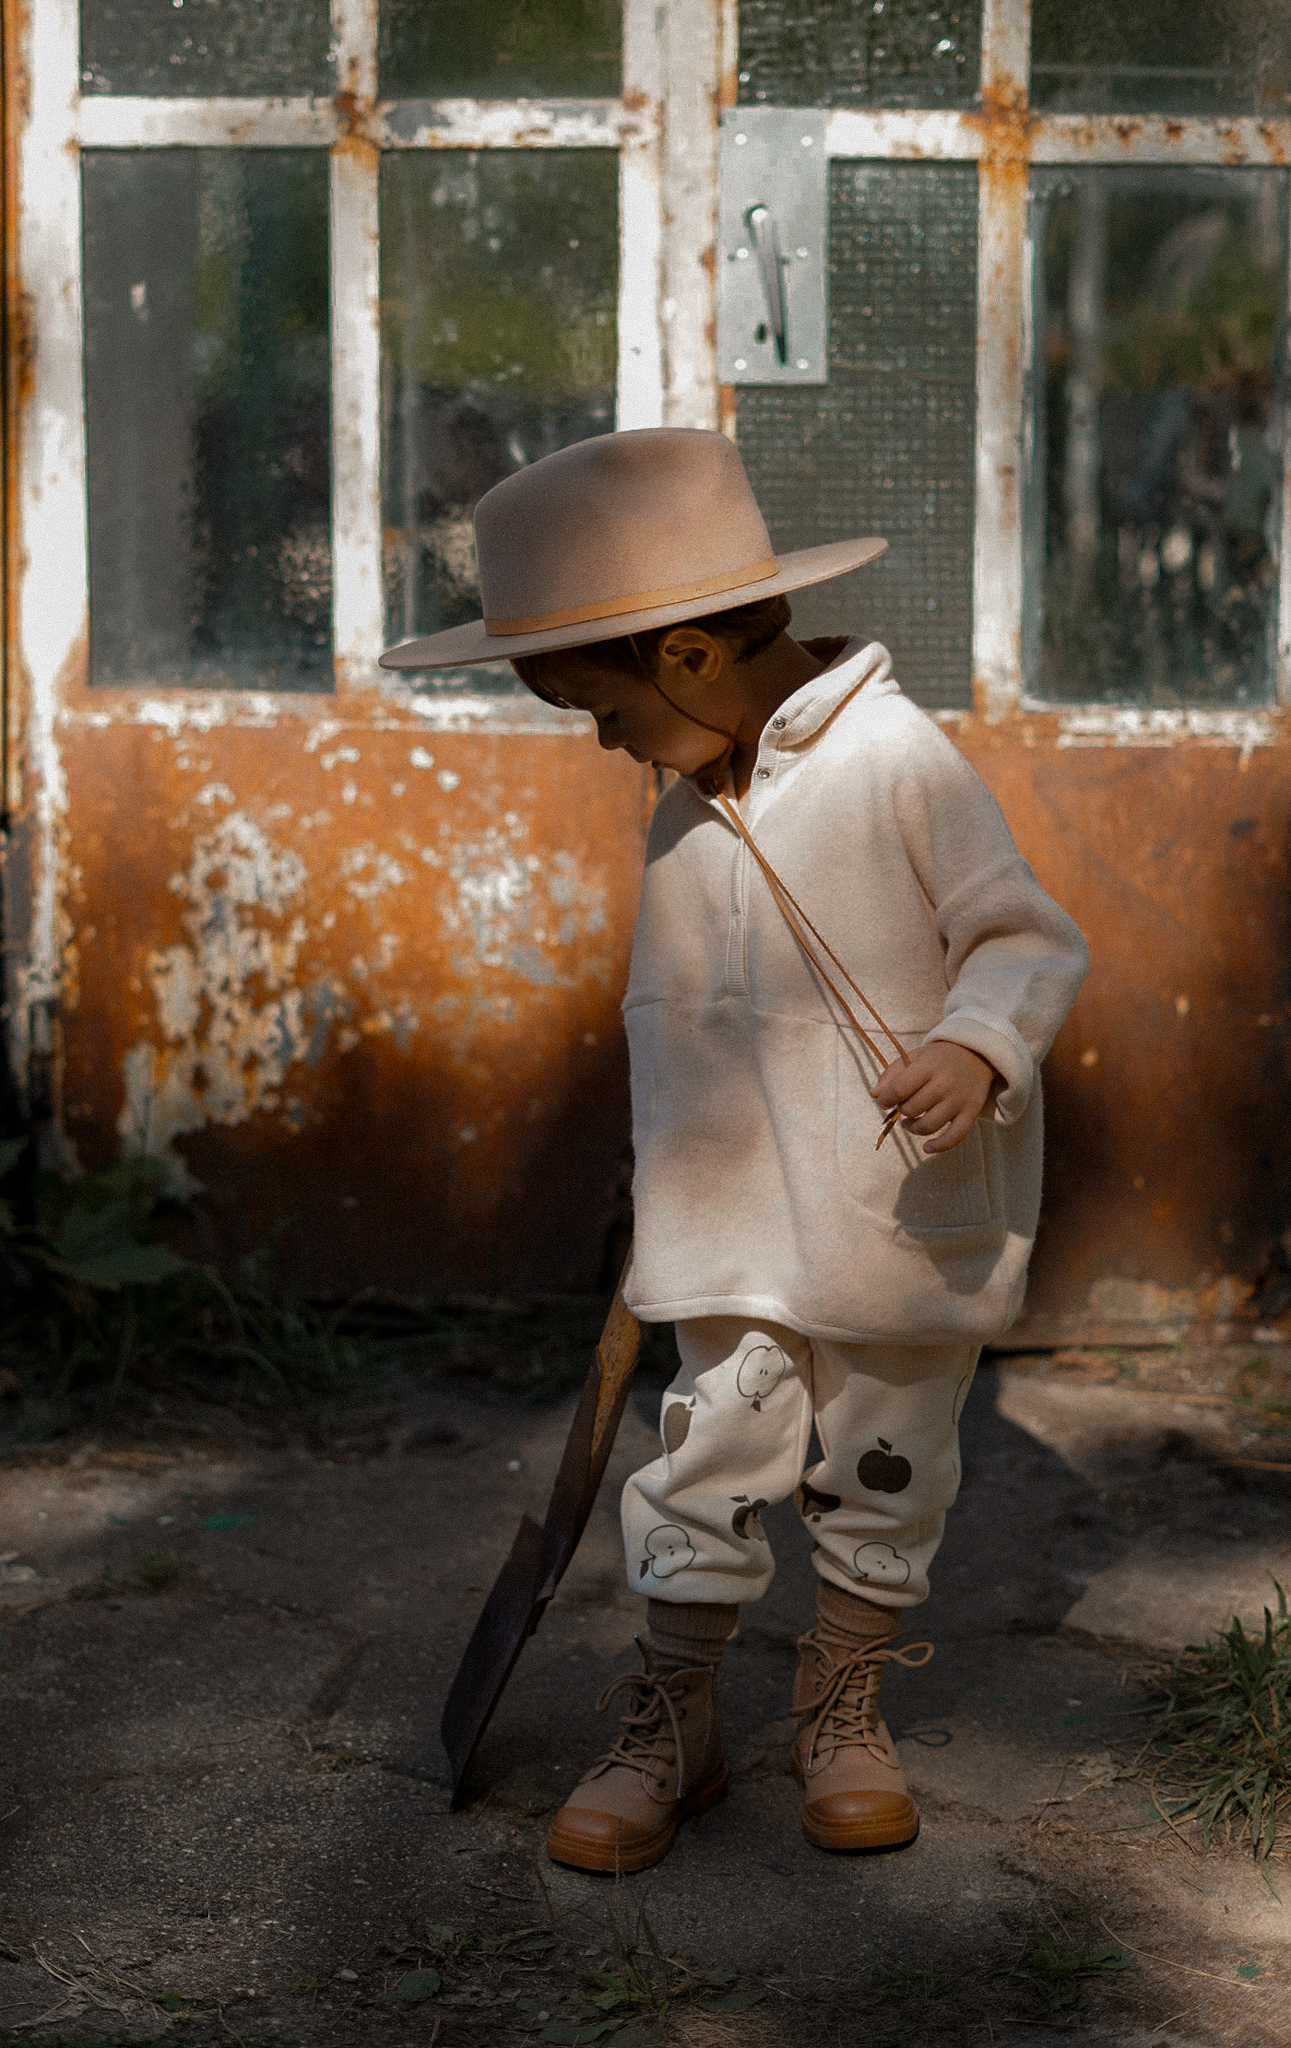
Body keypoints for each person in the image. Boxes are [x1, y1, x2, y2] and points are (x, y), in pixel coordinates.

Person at [380, 427, 1089, 1872]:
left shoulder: (898, 759)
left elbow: (1022, 937)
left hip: (897, 1213)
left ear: (689, 660)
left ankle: (840, 1703)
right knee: (709, 1457)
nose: (601, 738)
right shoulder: (687, 807)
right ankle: (678, 1718)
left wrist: (976, 1045)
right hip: (732, 1224)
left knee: (888, 1467)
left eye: (597, 704)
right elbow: (685, 1026)